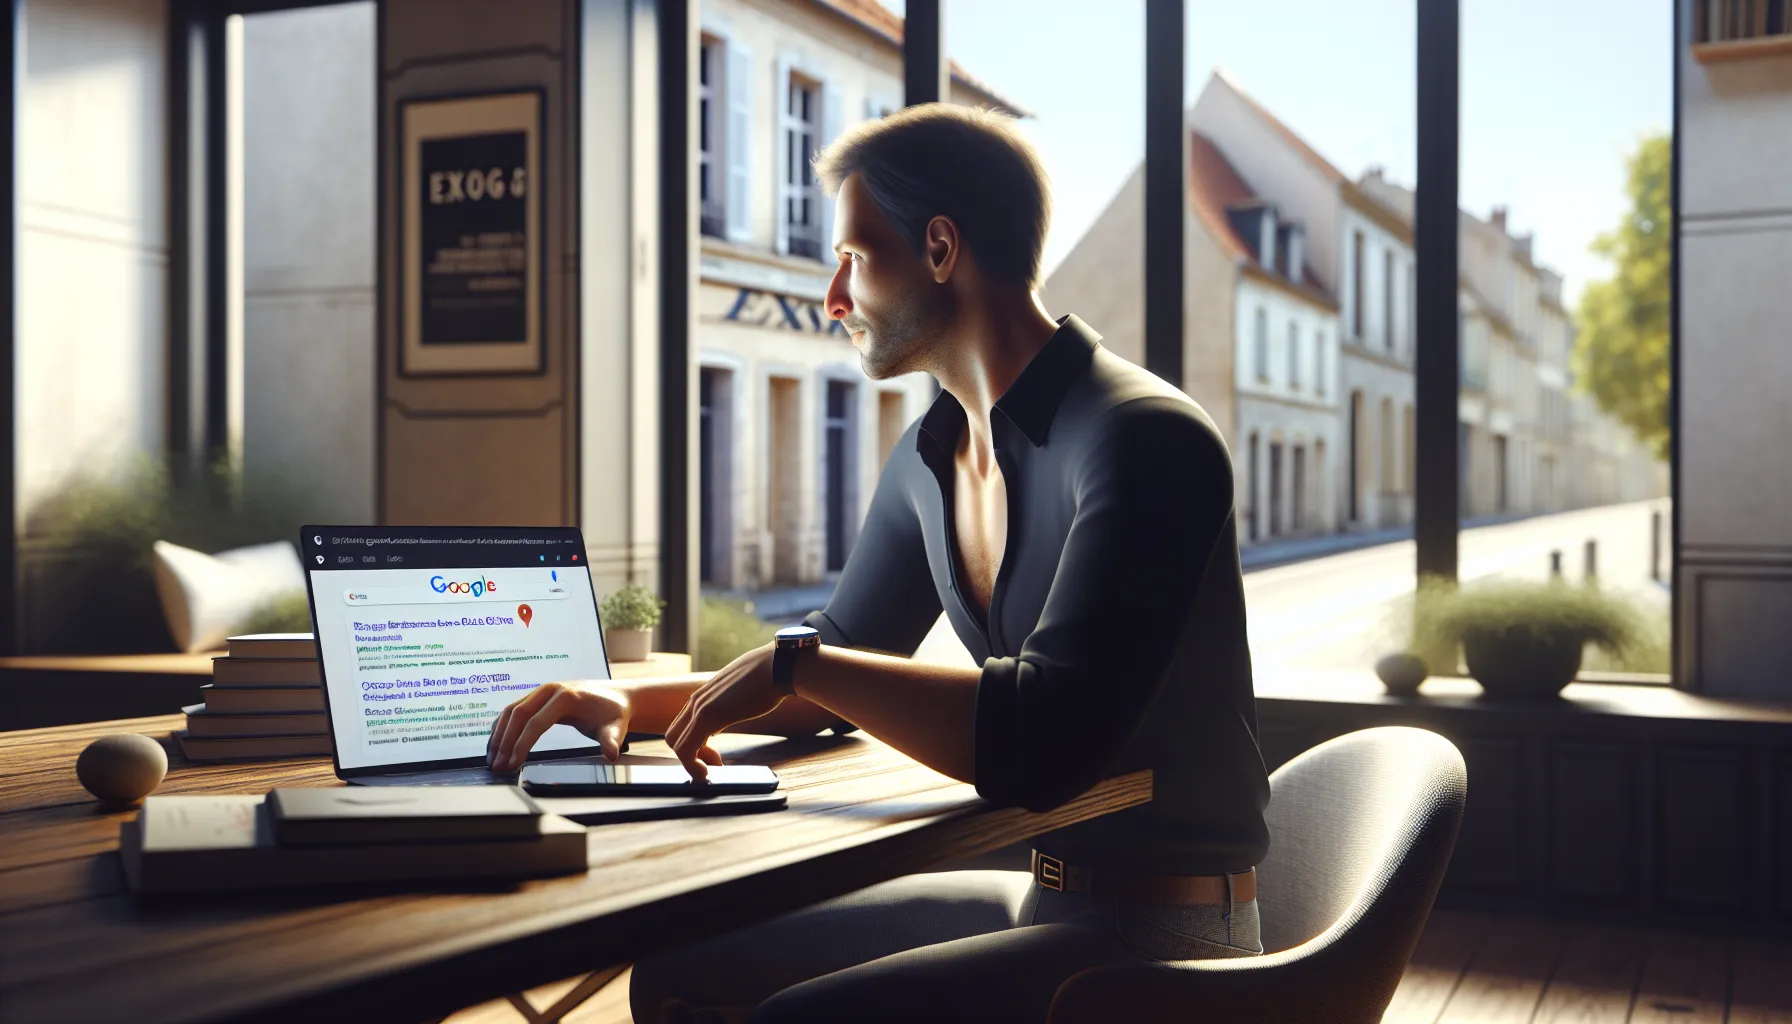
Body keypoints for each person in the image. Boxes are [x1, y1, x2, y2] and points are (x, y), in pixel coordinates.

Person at [486, 103, 1270, 1023]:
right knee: (677, 974)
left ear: (939, 249)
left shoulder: (1146, 439)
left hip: (1167, 945)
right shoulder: (931, 457)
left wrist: (800, 663)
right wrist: (633, 702)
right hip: (1045, 899)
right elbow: (836, 658)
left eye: (853, 258)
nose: (833, 297)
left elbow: (1044, 740)